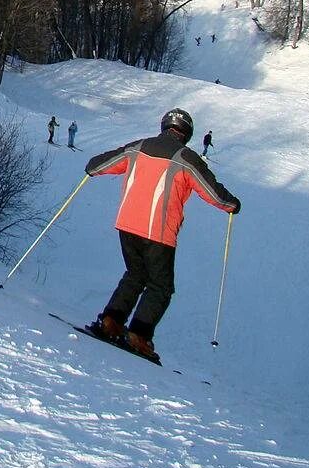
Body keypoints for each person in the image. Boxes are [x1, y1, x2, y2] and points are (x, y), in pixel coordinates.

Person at [83, 108, 240, 361]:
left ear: (164, 127)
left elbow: (98, 164)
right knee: (161, 286)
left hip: (127, 224)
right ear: (186, 133)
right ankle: (138, 335)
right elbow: (212, 193)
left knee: (135, 275)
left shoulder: (139, 146)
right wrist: (232, 204)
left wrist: (92, 169)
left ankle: (111, 322)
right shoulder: (186, 158)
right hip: (158, 230)